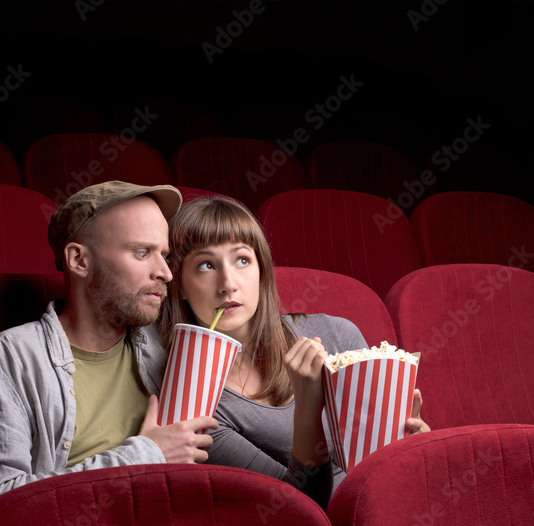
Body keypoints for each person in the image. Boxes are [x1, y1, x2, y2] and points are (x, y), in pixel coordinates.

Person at [0, 181, 217, 515]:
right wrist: (145, 456)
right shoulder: (13, 357)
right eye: (142, 252)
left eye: (164, 255)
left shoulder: (169, 346)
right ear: (79, 260)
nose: (165, 272)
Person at [157, 196, 429, 508]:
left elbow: (385, 466)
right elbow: (296, 507)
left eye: (242, 260)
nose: (228, 284)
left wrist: (416, 445)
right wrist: (308, 410)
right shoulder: (196, 409)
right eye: (206, 265)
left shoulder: (337, 333)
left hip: (389, 509)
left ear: (261, 271)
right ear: (178, 285)